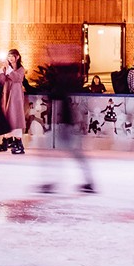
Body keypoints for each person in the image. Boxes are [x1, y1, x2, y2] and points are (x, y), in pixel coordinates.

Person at [39, 45, 96, 192]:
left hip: (66, 121)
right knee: (58, 152)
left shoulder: (65, 76)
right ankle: (87, 181)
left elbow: (58, 93)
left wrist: (50, 94)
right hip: (66, 121)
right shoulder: (66, 75)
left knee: (61, 152)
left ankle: (84, 181)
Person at [0, 48, 29, 154]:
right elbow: (0, 80)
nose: (10, 58)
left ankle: (18, 143)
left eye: (12, 56)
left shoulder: (21, 69)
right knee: (7, 117)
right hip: (7, 94)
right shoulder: (6, 68)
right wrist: (0, 70)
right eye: (9, 56)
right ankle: (6, 141)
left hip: (16, 97)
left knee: (15, 116)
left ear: (17, 57)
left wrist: (8, 69)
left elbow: (17, 79)